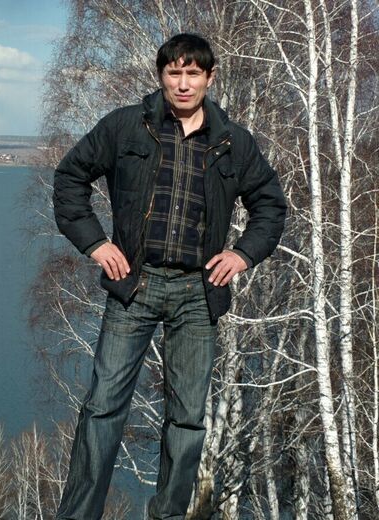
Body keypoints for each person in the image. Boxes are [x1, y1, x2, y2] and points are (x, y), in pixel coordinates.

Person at [53, 33, 286, 520]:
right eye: (173, 73)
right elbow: (70, 177)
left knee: (187, 420)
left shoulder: (233, 141)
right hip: (134, 286)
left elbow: (269, 206)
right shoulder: (126, 127)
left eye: (192, 73)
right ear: (161, 76)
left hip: (198, 293)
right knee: (102, 409)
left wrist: (242, 254)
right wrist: (96, 244)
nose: (183, 83)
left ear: (209, 77)